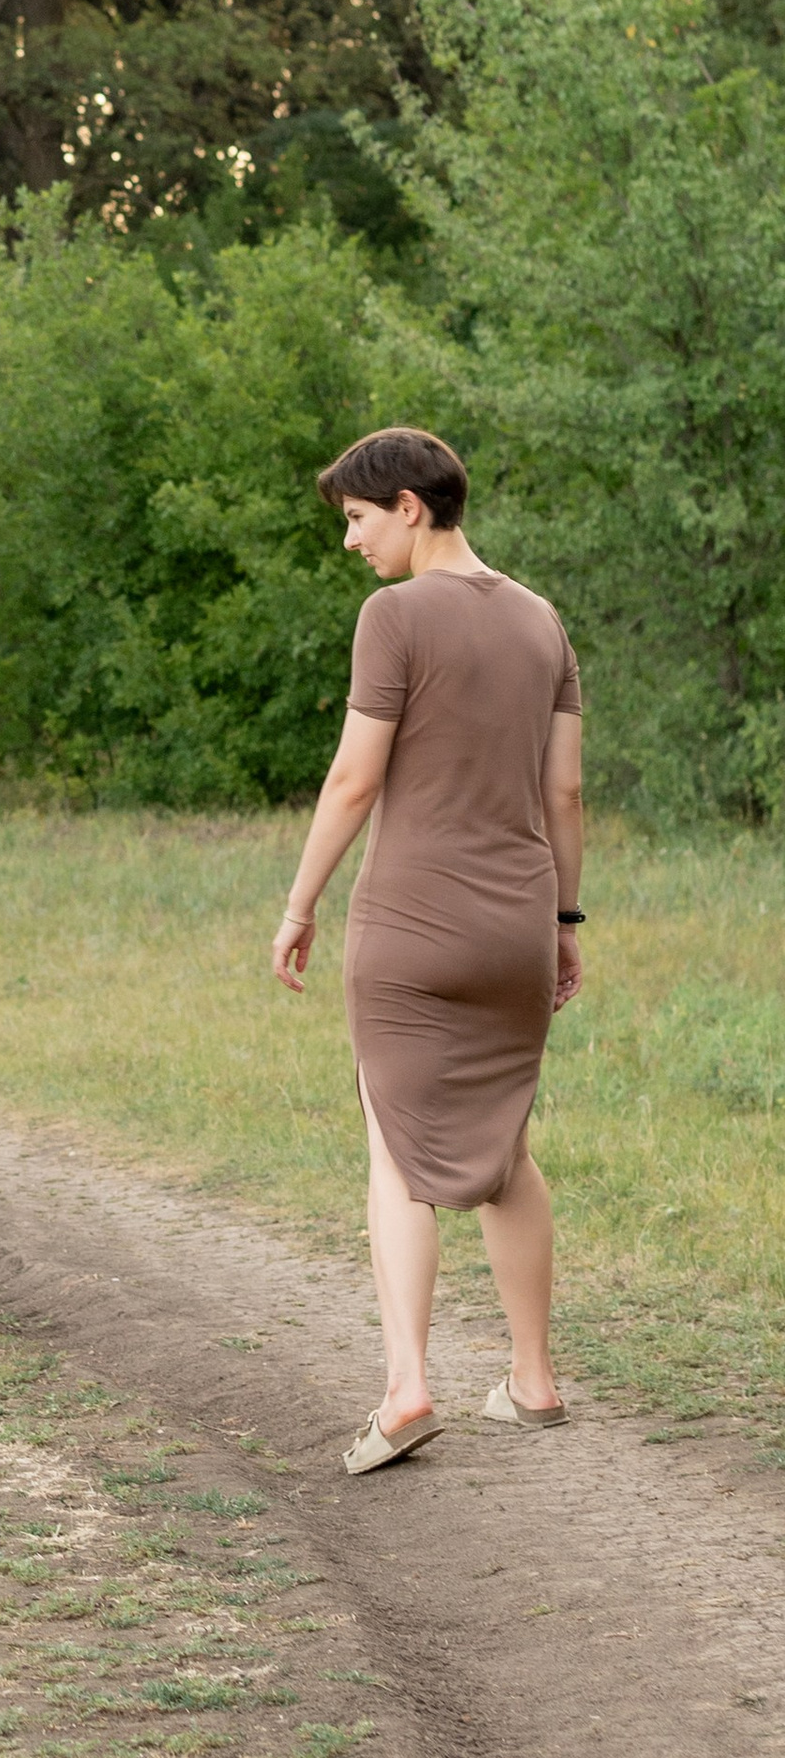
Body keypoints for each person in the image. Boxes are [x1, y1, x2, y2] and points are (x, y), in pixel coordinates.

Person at [271, 426, 583, 1479]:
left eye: (356, 520)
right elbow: (564, 795)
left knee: (395, 1146)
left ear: (408, 504)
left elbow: (354, 780)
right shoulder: (542, 622)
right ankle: (532, 1381)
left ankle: (407, 1387)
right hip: (515, 925)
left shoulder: (394, 617)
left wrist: (299, 901)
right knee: (505, 1152)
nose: (350, 544)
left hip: (411, 922)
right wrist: (563, 923)